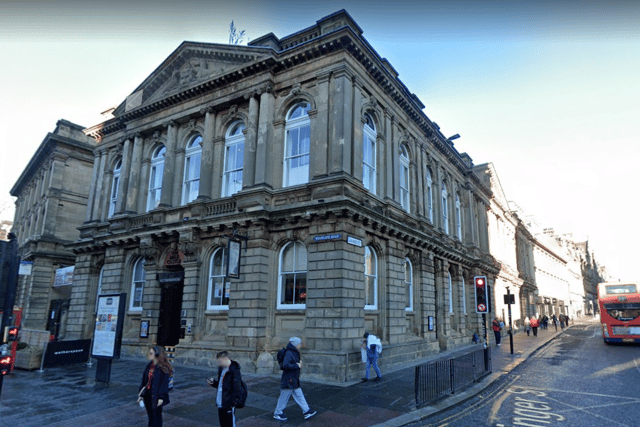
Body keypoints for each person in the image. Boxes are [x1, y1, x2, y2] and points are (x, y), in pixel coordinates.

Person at [273, 337, 317, 422]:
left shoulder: (293, 352)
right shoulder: (289, 353)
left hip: (293, 378)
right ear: (295, 344)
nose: (300, 345)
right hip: (289, 379)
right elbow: (285, 365)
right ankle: (277, 413)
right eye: (300, 344)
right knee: (284, 396)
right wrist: (297, 366)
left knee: (299, 395)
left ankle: (307, 411)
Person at [138, 346, 172, 427]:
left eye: (151, 353)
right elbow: (144, 381)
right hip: (148, 395)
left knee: (156, 417)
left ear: (157, 354)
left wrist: (161, 397)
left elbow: (164, 384)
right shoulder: (149, 365)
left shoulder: (162, 367)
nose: (149, 355)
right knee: (150, 416)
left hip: (156, 396)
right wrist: (141, 395)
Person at [207, 351, 243, 427]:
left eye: (220, 361)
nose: (219, 363)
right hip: (221, 402)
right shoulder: (221, 369)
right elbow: (222, 385)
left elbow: (237, 388)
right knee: (223, 424)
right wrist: (213, 383)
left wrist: (232, 403)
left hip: (228, 404)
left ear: (225, 359)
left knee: (229, 424)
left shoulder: (234, 370)